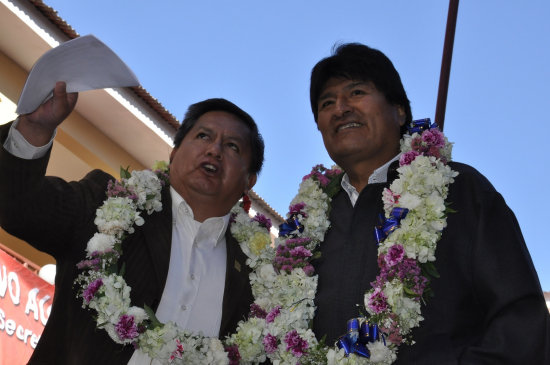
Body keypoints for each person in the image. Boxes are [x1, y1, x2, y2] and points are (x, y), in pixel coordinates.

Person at [308, 43, 550, 363]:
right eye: (327, 102)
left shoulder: (460, 190)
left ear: (399, 110)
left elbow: (521, 325)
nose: (340, 108)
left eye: (356, 93)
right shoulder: (308, 226)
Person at [0, 82, 263, 364]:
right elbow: (19, 207)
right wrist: (34, 129)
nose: (214, 150)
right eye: (203, 136)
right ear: (173, 153)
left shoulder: (257, 278)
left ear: (248, 181)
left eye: (232, 146)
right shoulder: (106, 205)